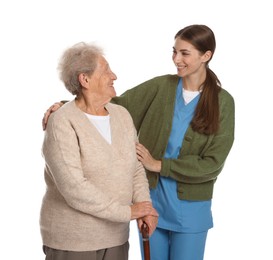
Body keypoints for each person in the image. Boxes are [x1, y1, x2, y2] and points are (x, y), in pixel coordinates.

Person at [42, 24, 235, 260]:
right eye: (174, 51)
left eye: (185, 53)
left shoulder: (223, 102)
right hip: (152, 204)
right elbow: (112, 106)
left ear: (207, 56)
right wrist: (65, 105)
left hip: (190, 208)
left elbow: (213, 163)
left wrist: (160, 165)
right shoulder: (161, 86)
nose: (176, 59)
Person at [40, 42, 158, 260]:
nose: (114, 76)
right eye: (106, 71)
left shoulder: (122, 115)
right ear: (85, 80)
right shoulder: (62, 122)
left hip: (116, 238)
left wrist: (145, 207)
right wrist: (129, 212)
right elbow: (74, 187)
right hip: (74, 240)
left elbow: (136, 168)